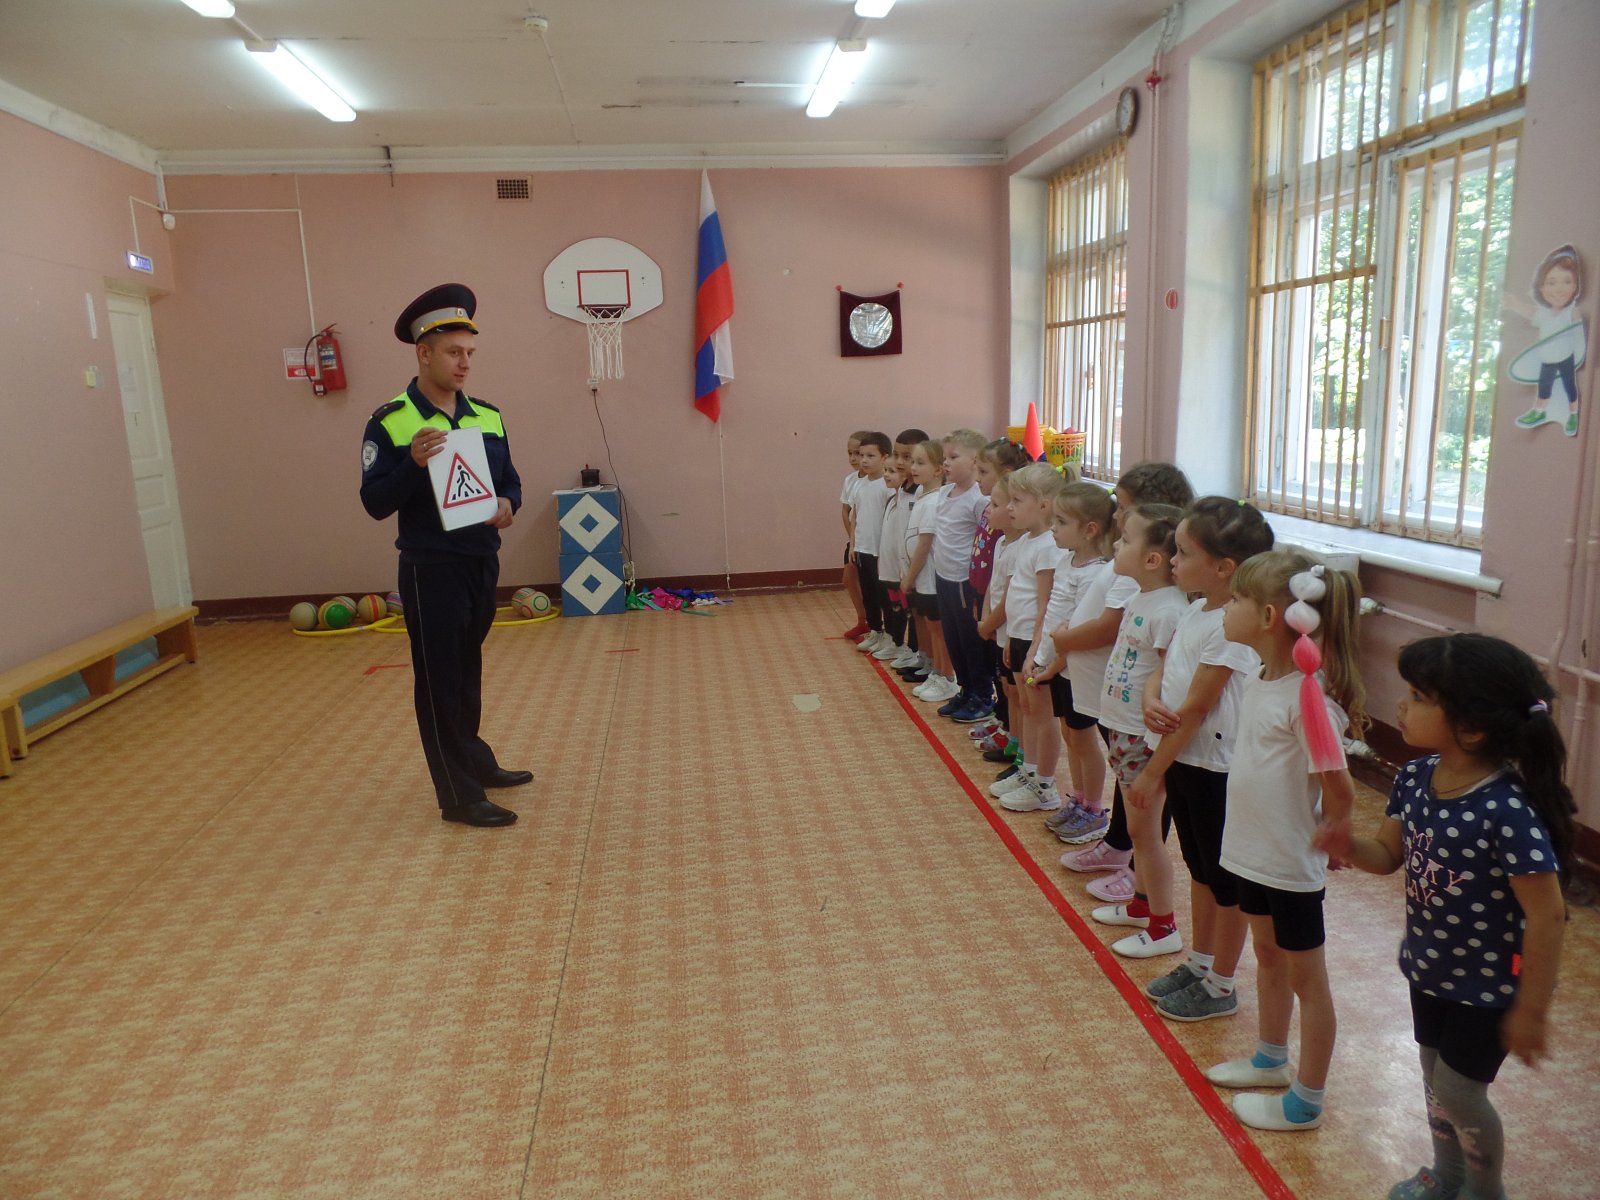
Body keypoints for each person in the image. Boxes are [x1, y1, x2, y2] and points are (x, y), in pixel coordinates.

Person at [1320, 634, 1574, 1200]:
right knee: (1435, 1079)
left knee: (1460, 1091)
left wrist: (1532, 1009)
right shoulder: (1414, 778)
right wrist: (1348, 845)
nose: (1402, 705)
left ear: (1472, 727)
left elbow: (1547, 915)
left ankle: (1485, 1191)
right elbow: (1387, 856)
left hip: (1490, 986)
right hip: (1430, 969)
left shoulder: (1506, 808)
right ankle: (1447, 1175)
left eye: (1418, 696)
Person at [359, 283, 531, 828]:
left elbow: (511, 482)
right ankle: (458, 795)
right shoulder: (391, 421)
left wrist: (508, 504)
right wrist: (411, 464)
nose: (464, 363)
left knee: (466, 668)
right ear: (423, 353)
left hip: (481, 560)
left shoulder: (488, 415)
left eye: (470, 353)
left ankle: (474, 760)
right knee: (438, 679)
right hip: (430, 567)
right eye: (454, 352)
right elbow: (374, 503)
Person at [1205, 548, 1365, 1132]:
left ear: (1270, 617)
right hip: (1252, 853)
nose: (1226, 608)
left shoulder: (1307, 697)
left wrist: (1334, 831)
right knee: (1267, 956)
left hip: (1288, 864)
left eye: (1237, 599)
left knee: (1307, 981)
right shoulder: (1259, 678)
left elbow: (1339, 784)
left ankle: (1307, 1099)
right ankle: (1270, 1059)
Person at [1132, 498, 1275, 1017]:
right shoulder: (1196, 610)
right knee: (1198, 867)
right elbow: (1164, 668)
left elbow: (1195, 707)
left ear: (1223, 568)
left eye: (1184, 552)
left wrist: (1151, 772)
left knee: (1224, 880)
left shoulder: (1231, 628)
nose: (1173, 560)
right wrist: (1150, 697)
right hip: (1186, 761)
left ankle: (1222, 982)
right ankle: (1200, 960)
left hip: (1215, 768)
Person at [1088, 504, 1188, 958]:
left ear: (1152, 559)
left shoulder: (1169, 610)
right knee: (1139, 831)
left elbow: (1169, 678)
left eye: (1125, 539)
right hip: (1122, 730)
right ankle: (1141, 905)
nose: (1115, 544)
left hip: (1140, 737)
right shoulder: (1142, 598)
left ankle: (1164, 926)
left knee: (1145, 835)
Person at [1036, 482, 1121, 845]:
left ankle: (1095, 809)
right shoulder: (1064, 561)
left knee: (1084, 740)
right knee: (1071, 735)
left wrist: (1053, 664)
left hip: (1076, 669)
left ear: (1090, 529)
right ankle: (1080, 799)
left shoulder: (1096, 573)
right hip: (1059, 664)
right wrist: (1040, 655)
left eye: (1061, 522)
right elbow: (1053, 614)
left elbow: (1078, 626)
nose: (1052, 528)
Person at [932, 429, 995, 721]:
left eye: (953, 457)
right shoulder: (944, 492)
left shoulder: (978, 499)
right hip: (943, 577)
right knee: (953, 638)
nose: (945, 463)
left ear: (974, 461)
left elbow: (984, 541)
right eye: (945, 457)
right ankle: (965, 689)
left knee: (970, 641)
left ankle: (982, 695)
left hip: (964, 582)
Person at [849, 432, 895, 656]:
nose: (864, 460)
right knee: (868, 594)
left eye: (870, 456)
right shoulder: (859, 484)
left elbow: (891, 520)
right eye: (861, 455)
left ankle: (890, 637)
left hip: (880, 552)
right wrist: (853, 544)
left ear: (885, 457)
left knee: (883, 595)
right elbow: (855, 516)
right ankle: (875, 631)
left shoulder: (888, 486)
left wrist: (886, 551)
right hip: (862, 549)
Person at [839, 432, 870, 639]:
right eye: (849, 453)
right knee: (849, 578)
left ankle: (875, 623)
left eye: (857, 453)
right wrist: (852, 539)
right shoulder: (850, 480)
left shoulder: (876, 480)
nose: (853, 458)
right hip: (855, 541)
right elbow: (846, 511)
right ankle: (862, 620)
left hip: (870, 542)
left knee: (870, 584)